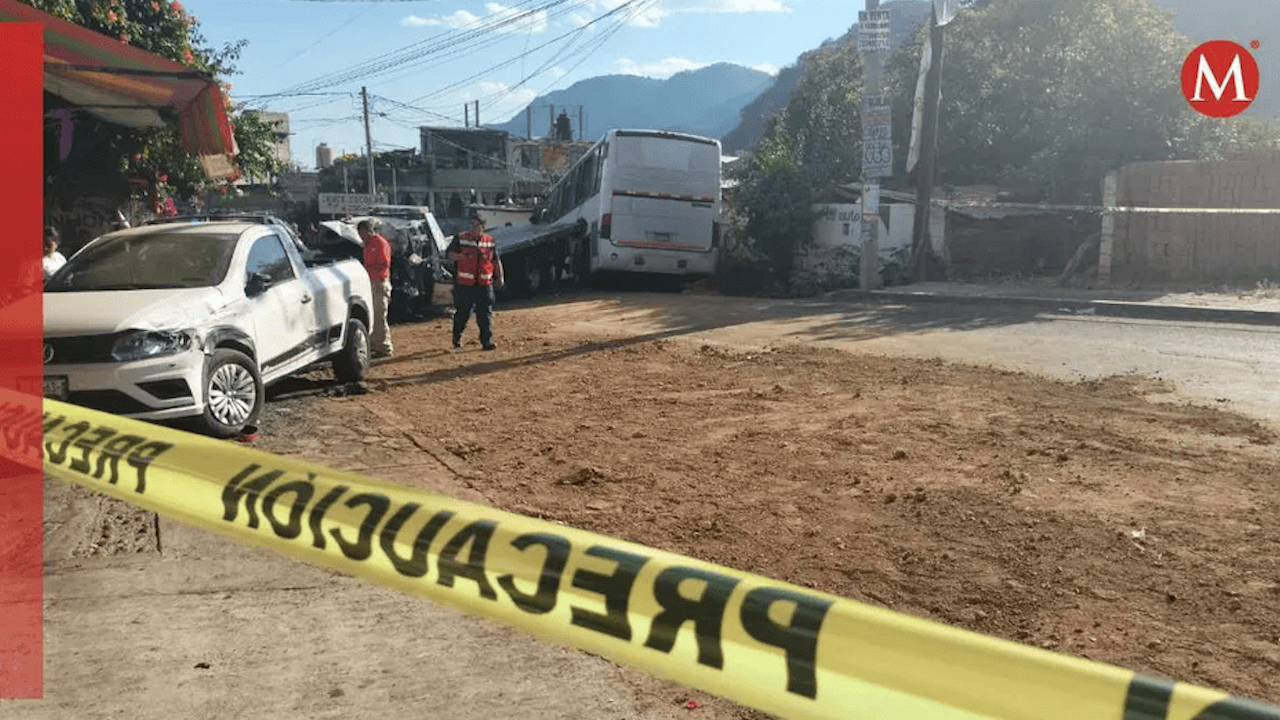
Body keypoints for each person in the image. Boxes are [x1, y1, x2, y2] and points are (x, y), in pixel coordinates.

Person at [448, 212, 504, 350]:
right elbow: (449, 253)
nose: (473, 229)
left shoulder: (489, 241)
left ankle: (487, 342)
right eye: (471, 225)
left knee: (485, 314)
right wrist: (459, 256)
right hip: (464, 285)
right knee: (463, 313)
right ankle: (457, 337)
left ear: (483, 227)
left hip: (484, 285)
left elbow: (495, 261)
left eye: (476, 226)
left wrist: (500, 277)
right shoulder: (460, 239)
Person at [357, 219, 395, 358]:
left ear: (368, 231)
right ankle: (376, 343)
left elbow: (384, 263)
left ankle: (384, 347)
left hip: (379, 282)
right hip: (372, 282)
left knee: (379, 316)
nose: (361, 236)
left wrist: (369, 269)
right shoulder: (368, 245)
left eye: (362, 233)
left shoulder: (379, 243)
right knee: (374, 315)